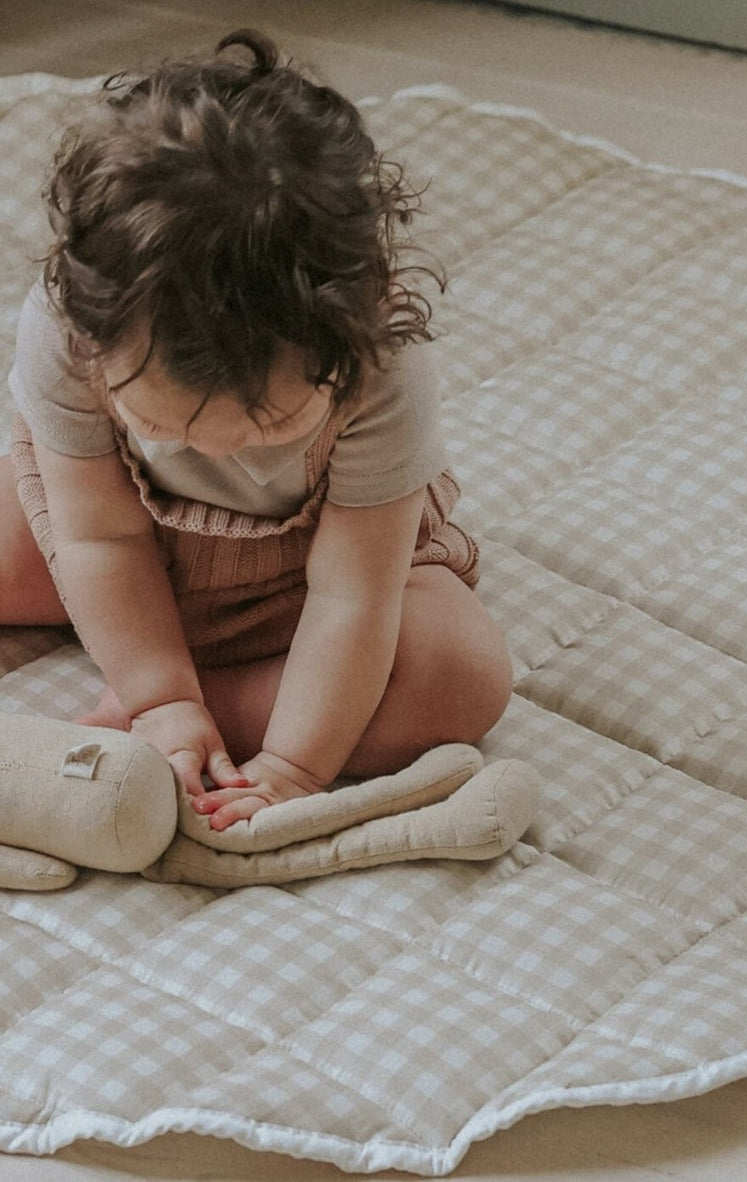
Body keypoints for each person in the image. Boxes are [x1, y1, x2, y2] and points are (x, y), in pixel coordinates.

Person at [0, 29, 513, 832]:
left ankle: (221, 705)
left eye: (269, 425)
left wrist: (292, 768)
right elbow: (99, 539)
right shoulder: (70, 331)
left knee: (462, 675)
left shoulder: (378, 368)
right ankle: (161, 685)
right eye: (162, 423)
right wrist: (159, 697)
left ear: (347, 335)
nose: (214, 451)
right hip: (105, 536)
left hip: (303, 585)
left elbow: (352, 595)